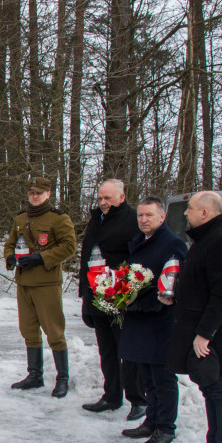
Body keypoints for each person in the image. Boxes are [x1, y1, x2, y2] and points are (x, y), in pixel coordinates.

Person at [163, 191, 222, 443]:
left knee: (220, 390)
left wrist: (204, 334)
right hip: (199, 329)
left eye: (191, 208)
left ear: (206, 213)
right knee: (209, 387)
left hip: (214, 335)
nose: (186, 213)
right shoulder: (205, 240)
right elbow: (201, 283)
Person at [116, 196, 189, 443]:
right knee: (146, 375)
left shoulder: (173, 244)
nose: (143, 220)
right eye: (140, 216)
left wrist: (146, 302)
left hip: (161, 320)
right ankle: (151, 421)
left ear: (162, 216)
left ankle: (166, 427)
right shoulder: (139, 242)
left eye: (149, 215)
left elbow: (174, 284)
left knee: (163, 377)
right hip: (139, 317)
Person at [78, 179, 147, 418]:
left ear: (122, 197)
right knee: (106, 350)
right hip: (96, 296)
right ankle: (111, 396)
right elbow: (87, 257)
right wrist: (84, 296)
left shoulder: (132, 221)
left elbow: (139, 261)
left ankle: (138, 399)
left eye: (108, 198)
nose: (103, 202)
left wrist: (127, 292)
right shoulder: (96, 219)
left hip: (119, 298)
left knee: (127, 350)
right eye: (100, 198)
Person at [3, 177, 77, 398]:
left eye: (39, 192)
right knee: (28, 330)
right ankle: (35, 375)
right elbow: (10, 242)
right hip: (24, 282)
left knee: (54, 331)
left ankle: (62, 378)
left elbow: (69, 246)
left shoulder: (58, 219)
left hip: (46, 282)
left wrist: (41, 258)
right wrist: (9, 257)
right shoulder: (20, 218)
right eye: (31, 192)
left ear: (48, 194)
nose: (35, 196)